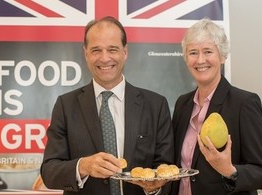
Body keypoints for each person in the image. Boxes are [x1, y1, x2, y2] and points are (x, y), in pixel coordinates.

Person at [41, 16, 174, 195]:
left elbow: (168, 170)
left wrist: (154, 189)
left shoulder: (155, 106)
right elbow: (49, 172)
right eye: (96, 50)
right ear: (86, 53)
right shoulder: (66, 106)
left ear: (125, 52)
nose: (105, 58)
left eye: (112, 49)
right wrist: (83, 166)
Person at [171, 18, 262, 195]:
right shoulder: (182, 104)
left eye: (208, 51)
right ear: (186, 59)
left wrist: (229, 170)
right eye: (193, 53)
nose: (200, 60)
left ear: (222, 56)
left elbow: (261, 173)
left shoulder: (244, 104)